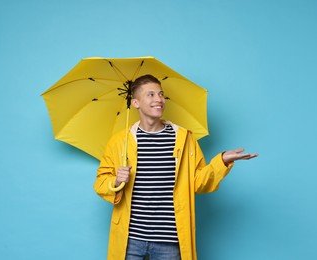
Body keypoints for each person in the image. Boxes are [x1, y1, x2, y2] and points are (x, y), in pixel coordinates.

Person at [94, 74, 258, 260]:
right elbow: (100, 182)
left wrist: (222, 161)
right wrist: (115, 181)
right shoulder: (119, 142)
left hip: (169, 239)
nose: (159, 100)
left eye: (161, 94)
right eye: (151, 95)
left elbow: (198, 183)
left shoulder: (184, 139)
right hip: (130, 238)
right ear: (136, 103)